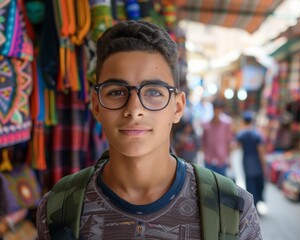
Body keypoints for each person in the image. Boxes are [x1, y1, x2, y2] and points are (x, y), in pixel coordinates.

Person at [36, 20, 262, 239]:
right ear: (96, 105)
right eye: (116, 92)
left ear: (178, 107)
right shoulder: (58, 208)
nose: (134, 110)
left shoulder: (233, 210)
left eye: (153, 92)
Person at [235, 111, 267, 214]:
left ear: (244, 121)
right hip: (256, 161)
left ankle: (251, 206)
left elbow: (236, 146)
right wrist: (264, 165)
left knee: (250, 184)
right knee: (258, 183)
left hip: (247, 161)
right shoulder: (257, 134)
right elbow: (261, 151)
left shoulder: (241, 134)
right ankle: (256, 204)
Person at [201, 98, 233, 176]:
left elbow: (229, 141)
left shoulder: (227, 123)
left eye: (220, 109)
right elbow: (204, 142)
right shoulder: (206, 124)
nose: (218, 111)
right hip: (208, 160)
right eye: (216, 109)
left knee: (221, 185)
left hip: (222, 160)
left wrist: (229, 158)